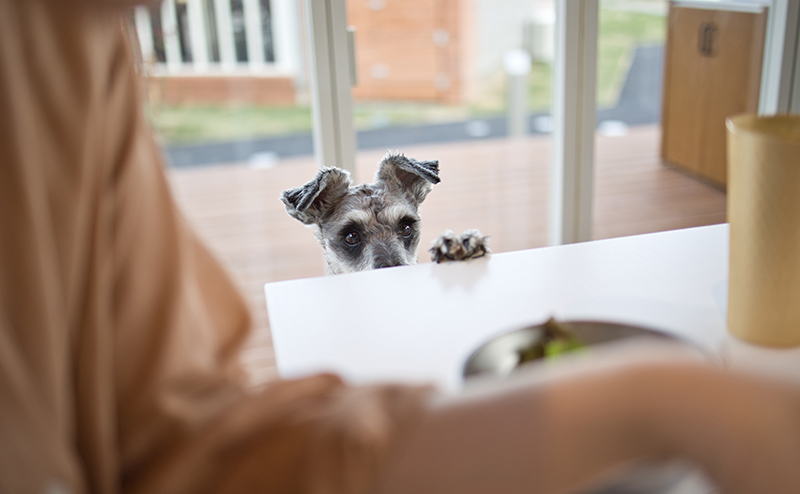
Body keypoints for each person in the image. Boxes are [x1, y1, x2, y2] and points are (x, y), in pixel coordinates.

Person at [1, 1, 799, 493]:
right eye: (354, 238)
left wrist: (664, 402)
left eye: (404, 230)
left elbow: (181, 455)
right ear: (316, 221)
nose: (387, 256)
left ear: (418, 202)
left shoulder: (69, 51)